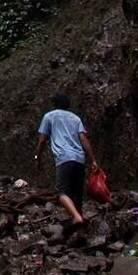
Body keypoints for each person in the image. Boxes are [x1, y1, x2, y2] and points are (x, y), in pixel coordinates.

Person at [35, 92, 99, 227]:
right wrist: (93, 159)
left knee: (61, 192)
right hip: (79, 158)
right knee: (77, 193)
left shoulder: (49, 116)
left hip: (64, 158)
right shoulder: (76, 118)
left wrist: (38, 157)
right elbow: (83, 139)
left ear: (55, 104)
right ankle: (79, 223)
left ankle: (76, 217)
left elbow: (42, 140)